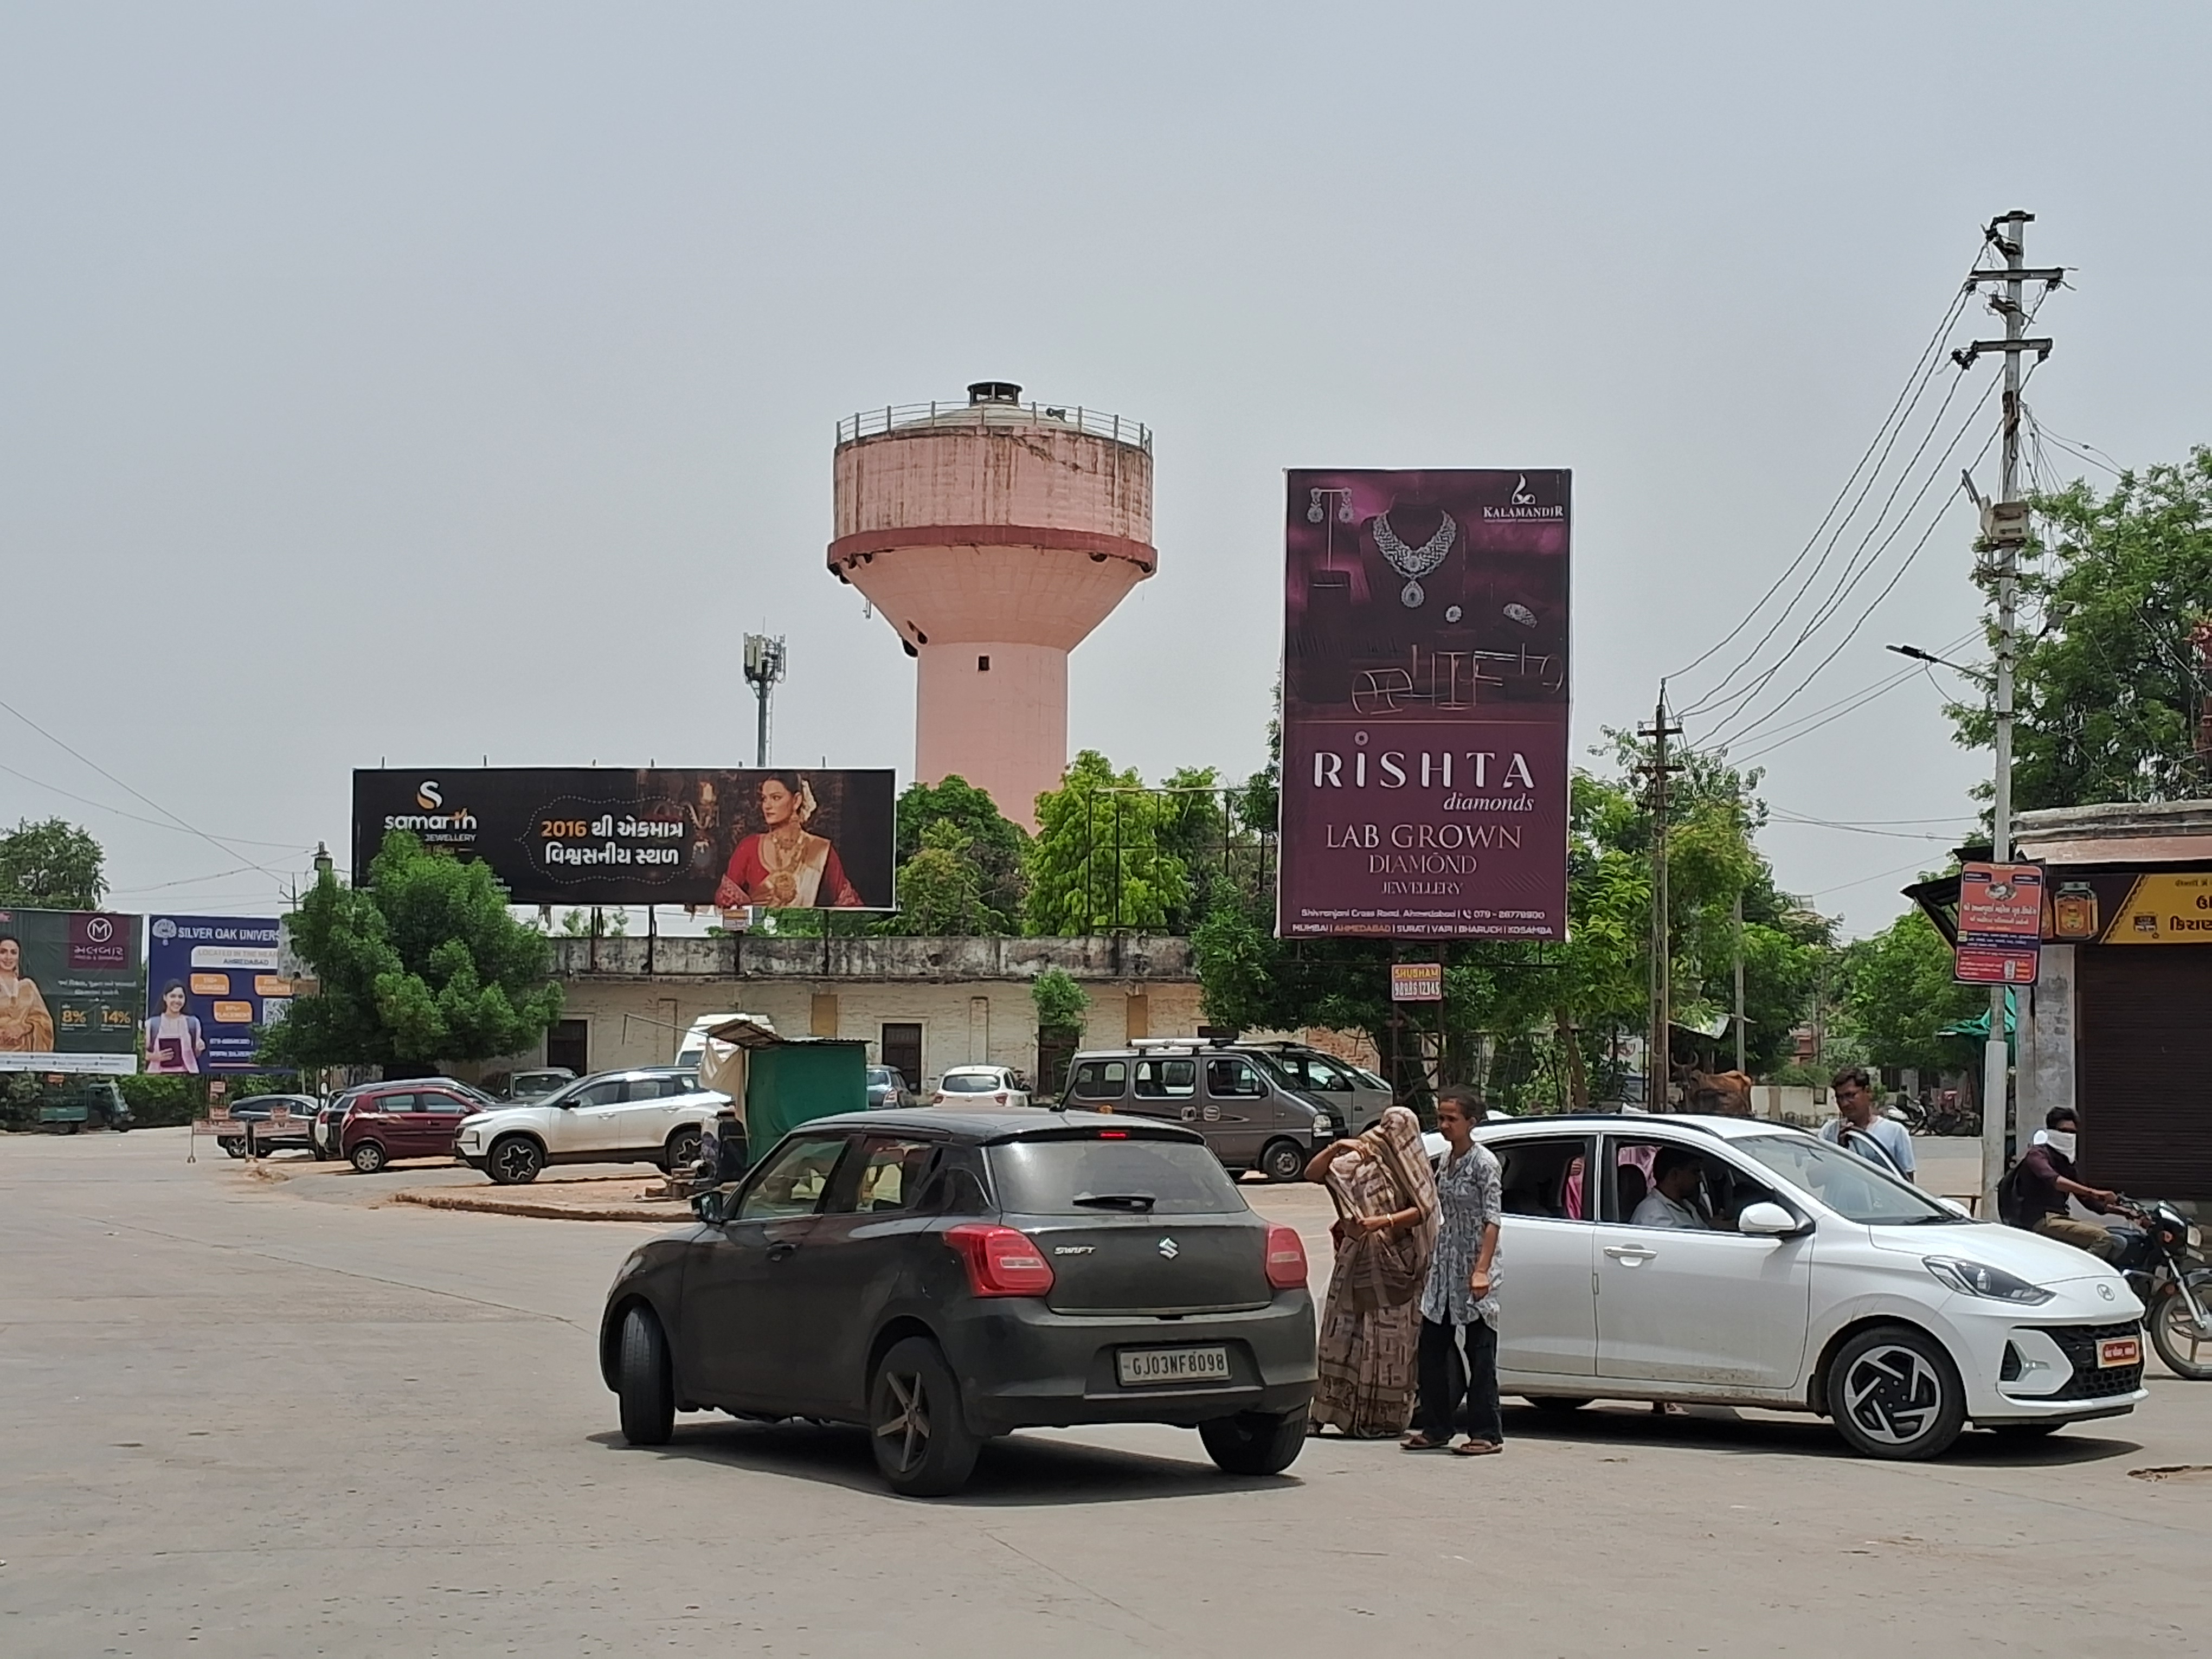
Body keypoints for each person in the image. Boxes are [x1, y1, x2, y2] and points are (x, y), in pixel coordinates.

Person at [1304, 1105, 1438, 1438]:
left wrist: (1385, 1222)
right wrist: (1337, 1148)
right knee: (1342, 1335)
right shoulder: (1364, 1156)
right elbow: (1314, 1173)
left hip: (1398, 1265)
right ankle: (1324, 1412)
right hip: (1357, 1260)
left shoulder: (1414, 1167)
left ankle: (1380, 1418)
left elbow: (1423, 1210)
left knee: (1388, 1343)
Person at [1404, 1086, 1504, 1456]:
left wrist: (1481, 1270)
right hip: (1445, 1267)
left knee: (1480, 1351)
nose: (1444, 1125)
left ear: (1471, 1123)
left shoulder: (1484, 1164)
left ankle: (1486, 1432)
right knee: (1432, 1348)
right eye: (1441, 1118)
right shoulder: (1446, 1160)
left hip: (1473, 1267)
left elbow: (1492, 1220)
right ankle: (1437, 1425)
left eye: (1452, 1119)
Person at [713, 773, 863, 913]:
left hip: (804, 939)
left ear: (796, 801)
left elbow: (850, 910)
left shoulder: (820, 851)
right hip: (756, 938)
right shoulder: (749, 848)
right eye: (764, 799)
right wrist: (748, 936)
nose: (767, 806)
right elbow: (727, 911)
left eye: (776, 798)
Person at [2011, 1108, 2130, 1262]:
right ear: (2052, 1131)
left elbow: (2088, 1201)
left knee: (2119, 1241)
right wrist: (2095, 1192)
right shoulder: (2038, 1155)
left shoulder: (2067, 1162)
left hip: (2061, 1217)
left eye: (2072, 1132)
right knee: (2103, 1239)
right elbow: (2055, 1181)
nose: (2068, 1136)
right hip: (2040, 1219)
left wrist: (2125, 1212)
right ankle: (2081, 1272)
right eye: (2064, 1131)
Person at [1820, 1065, 1916, 1184]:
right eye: (1840, 1098)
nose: (1845, 1104)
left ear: (1868, 1092)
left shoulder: (1895, 1132)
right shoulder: (1830, 1132)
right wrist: (1839, 1150)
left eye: (1851, 1096)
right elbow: (1815, 1180)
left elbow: (1908, 1183)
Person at [1629, 1147, 1713, 1229]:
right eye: (1694, 1172)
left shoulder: (1686, 1205)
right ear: (1674, 1175)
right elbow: (1683, 1242)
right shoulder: (1654, 1214)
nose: (1699, 1179)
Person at [0, 934, 55, 1054]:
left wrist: (24, 1028)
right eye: (3, 952)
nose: (8, 957)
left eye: (14, 952)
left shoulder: (28, 986)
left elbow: (43, 1021)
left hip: (24, 1059)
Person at [144, 982, 207, 1075]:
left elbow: (196, 1054)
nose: (177, 1000)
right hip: (158, 1075)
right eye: (173, 996)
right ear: (165, 998)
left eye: (181, 997)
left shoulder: (193, 1023)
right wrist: (155, 1057)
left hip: (187, 1075)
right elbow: (141, 1053)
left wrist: (199, 1048)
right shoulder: (152, 1024)